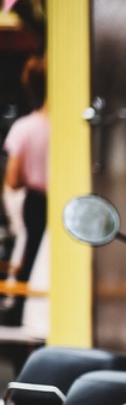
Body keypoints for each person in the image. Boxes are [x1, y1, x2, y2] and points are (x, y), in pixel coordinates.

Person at [3, 55, 47, 326]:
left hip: (37, 202)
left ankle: (22, 315)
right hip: (64, 203)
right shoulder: (65, 126)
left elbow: (13, 179)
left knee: (30, 259)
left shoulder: (25, 128)